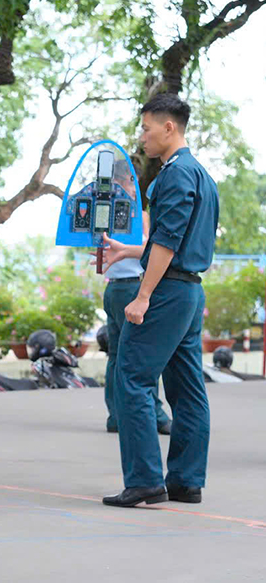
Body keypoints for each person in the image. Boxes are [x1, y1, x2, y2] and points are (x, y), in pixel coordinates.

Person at [102, 95, 219, 508]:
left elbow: (167, 241)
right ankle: (187, 482)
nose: (143, 136)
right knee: (188, 389)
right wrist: (129, 251)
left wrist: (143, 295)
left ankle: (145, 481)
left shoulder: (175, 174)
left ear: (169, 128)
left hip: (166, 292)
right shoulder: (202, 175)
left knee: (131, 379)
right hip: (189, 292)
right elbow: (173, 240)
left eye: (147, 128)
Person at [99, 159, 171, 436]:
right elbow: (153, 248)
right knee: (143, 355)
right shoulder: (136, 215)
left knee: (116, 356)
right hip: (131, 289)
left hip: (113, 288)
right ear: (127, 181)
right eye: (129, 181)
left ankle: (116, 416)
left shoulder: (104, 215)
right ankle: (154, 414)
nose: (130, 187)